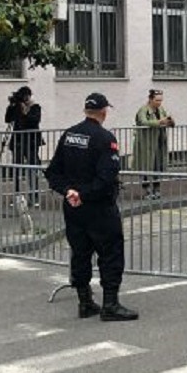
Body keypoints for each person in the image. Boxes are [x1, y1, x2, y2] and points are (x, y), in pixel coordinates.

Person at [44, 92, 138, 322]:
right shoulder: (105, 138)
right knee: (110, 253)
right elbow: (107, 177)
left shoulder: (69, 135)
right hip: (99, 207)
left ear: (86, 110)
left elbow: (53, 172)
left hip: (73, 206)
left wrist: (68, 191)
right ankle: (110, 304)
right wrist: (83, 194)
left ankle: (84, 302)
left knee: (80, 253)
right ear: (104, 112)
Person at [5, 86, 43, 207]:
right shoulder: (17, 107)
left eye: (26, 96)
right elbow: (8, 119)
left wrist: (25, 112)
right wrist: (11, 106)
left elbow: (34, 121)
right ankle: (17, 196)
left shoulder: (35, 107)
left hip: (31, 142)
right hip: (18, 141)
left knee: (32, 168)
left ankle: (34, 196)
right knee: (17, 169)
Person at [134, 89, 173, 200]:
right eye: (157, 100)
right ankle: (147, 190)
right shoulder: (143, 110)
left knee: (158, 165)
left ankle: (157, 189)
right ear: (150, 99)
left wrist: (170, 121)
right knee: (145, 165)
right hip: (146, 142)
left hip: (159, 141)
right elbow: (143, 121)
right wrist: (160, 122)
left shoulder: (161, 109)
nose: (159, 103)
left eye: (161, 100)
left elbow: (166, 119)